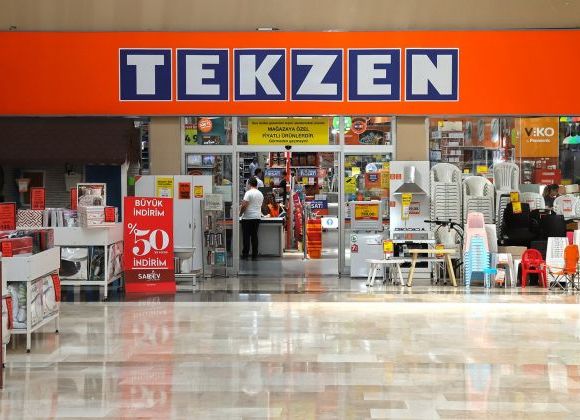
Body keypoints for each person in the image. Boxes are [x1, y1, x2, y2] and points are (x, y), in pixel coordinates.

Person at [240, 177, 264, 260]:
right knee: (254, 236)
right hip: (257, 217)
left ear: (249, 184)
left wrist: (240, 213)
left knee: (246, 237)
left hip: (247, 217)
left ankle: (245, 255)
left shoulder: (248, 193)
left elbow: (244, 205)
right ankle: (254, 256)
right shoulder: (260, 194)